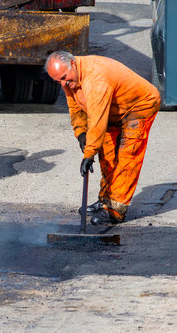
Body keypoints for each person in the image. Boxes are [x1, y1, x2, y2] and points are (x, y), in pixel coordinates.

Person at [45, 51, 160, 225]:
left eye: (64, 78)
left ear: (72, 64)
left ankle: (115, 210)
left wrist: (89, 154)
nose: (63, 84)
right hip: (114, 109)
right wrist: (81, 134)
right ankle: (106, 200)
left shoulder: (95, 79)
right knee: (106, 154)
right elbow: (75, 107)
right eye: (58, 81)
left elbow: (97, 120)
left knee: (127, 156)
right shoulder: (69, 77)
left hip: (139, 105)